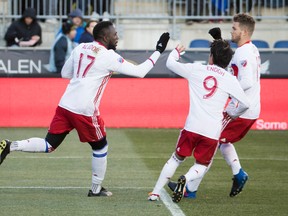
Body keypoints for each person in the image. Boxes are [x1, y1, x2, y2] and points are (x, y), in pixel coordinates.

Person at [0, 21, 170, 197]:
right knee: (100, 147)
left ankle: (10, 146)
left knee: (49, 144)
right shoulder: (109, 56)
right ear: (105, 37)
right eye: (114, 34)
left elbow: (65, 74)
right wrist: (158, 50)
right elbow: (140, 71)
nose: (117, 37)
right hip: (84, 110)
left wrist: (85, 76)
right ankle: (96, 189)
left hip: (66, 104)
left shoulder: (80, 47)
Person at [169, 13, 261, 199]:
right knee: (220, 141)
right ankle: (237, 173)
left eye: (234, 28)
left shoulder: (243, 53)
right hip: (246, 108)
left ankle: (191, 188)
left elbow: (247, 82)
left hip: (240, 110)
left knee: (212, 141)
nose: (231, 31)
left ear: (243, 31)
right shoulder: (250, 49)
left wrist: (224, 89)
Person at [148, 38, 250, 202]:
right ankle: (186, 180)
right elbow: (245, 103)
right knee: (202, 165)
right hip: (211, 131)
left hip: (191, 127)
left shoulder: (196, 69)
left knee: (176, 158)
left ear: (211, 56)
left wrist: (176, 52)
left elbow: (170, 64)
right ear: (228, 60)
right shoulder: (230, 79)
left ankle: (155, 193)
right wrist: (232, 114)